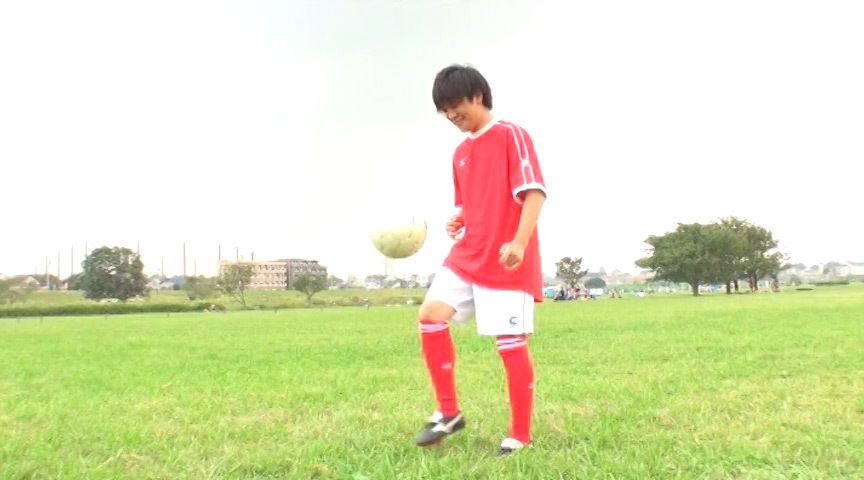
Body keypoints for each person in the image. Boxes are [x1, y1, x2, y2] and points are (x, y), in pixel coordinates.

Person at [413, 64, 547, 456]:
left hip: (506, 258)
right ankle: (448, 412)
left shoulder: (510, 135)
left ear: (477, 96)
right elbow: (471, 204)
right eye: (444, 110)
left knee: (509, 342)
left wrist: (519, 243)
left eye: (455, 105)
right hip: (468, 253)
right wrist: (459, 219)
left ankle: (520, 434)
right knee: (430, 316)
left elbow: (534, 192)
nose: (451, 115)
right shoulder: (460, 153)